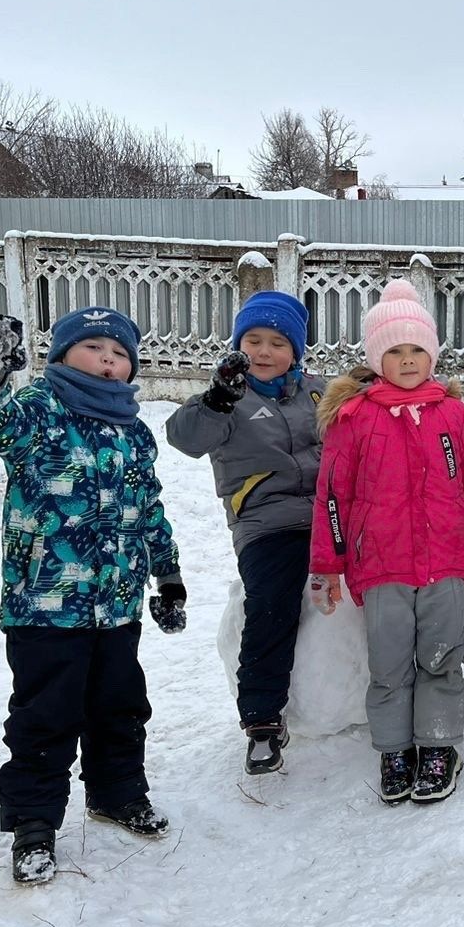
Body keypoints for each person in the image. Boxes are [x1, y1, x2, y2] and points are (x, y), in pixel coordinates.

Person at [0, 307, 184, 885]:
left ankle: (117, 793)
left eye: (119, 353)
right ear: (61, 357)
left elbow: (150, 511)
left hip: (116, 606)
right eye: (94, 349)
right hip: (44, 605)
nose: (109, 361)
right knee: (45, 714)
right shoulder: (38, 411)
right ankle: (34, 824)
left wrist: (168, 575)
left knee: (120, 705)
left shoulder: (134, 431)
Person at [309, 280, 464, 805]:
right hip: (381, 563)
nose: (408, 361)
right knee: (388, 664)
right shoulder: (355, 418)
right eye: (395, 351)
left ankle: (438, 745)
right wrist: (328, 565)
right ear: (376, 358)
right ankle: (393, 749)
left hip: (446, 560)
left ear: (431, 354)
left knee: (440, 656)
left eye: (417, 350)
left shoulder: (454, 415)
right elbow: (333, 497)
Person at [166, 290, 322, 775]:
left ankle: (454, 633)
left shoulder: (320, 392)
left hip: (331, 515)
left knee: (400, 553)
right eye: (252, 340)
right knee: (273, 601)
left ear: (296, 351)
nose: (264, 351)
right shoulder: (226, 399)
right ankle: (262, 720)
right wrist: (215, 400)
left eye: (278, 342)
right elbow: (183, 438)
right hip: (267, 524)